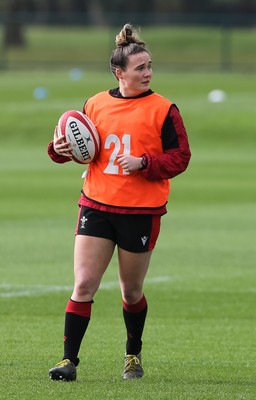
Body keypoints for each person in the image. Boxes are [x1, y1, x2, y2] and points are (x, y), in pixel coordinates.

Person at [47, 23, 191, 382]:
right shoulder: (95, 103)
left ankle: (132, 354)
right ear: (119, 73)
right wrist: (58, 150)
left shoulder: (164, 109)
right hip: (96, 206)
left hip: (140, 213)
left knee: (131, 291)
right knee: (83, 285)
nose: (148, 73)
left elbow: (181, 157)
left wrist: (146, 164)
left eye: (150, 66)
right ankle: (68, 362)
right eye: (140, 68)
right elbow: (80, 148)